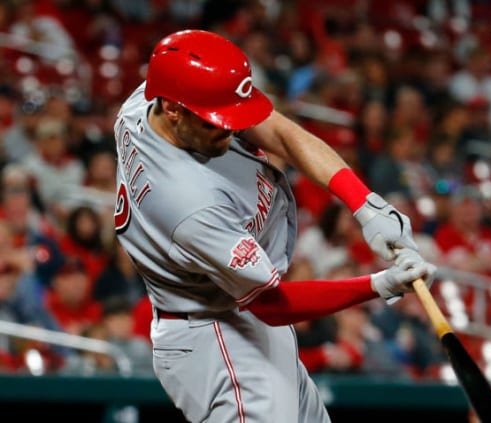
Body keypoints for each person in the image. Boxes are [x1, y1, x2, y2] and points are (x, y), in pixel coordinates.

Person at [113, 29, 436, 423]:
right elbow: (272, 305)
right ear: (173, 109)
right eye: (217, 122)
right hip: (217, 336)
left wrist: (366, 205)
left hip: (239, 309)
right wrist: (378, 285)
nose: (229, 129)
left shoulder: (146, 103)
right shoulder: (187, 204)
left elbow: (279, 131)